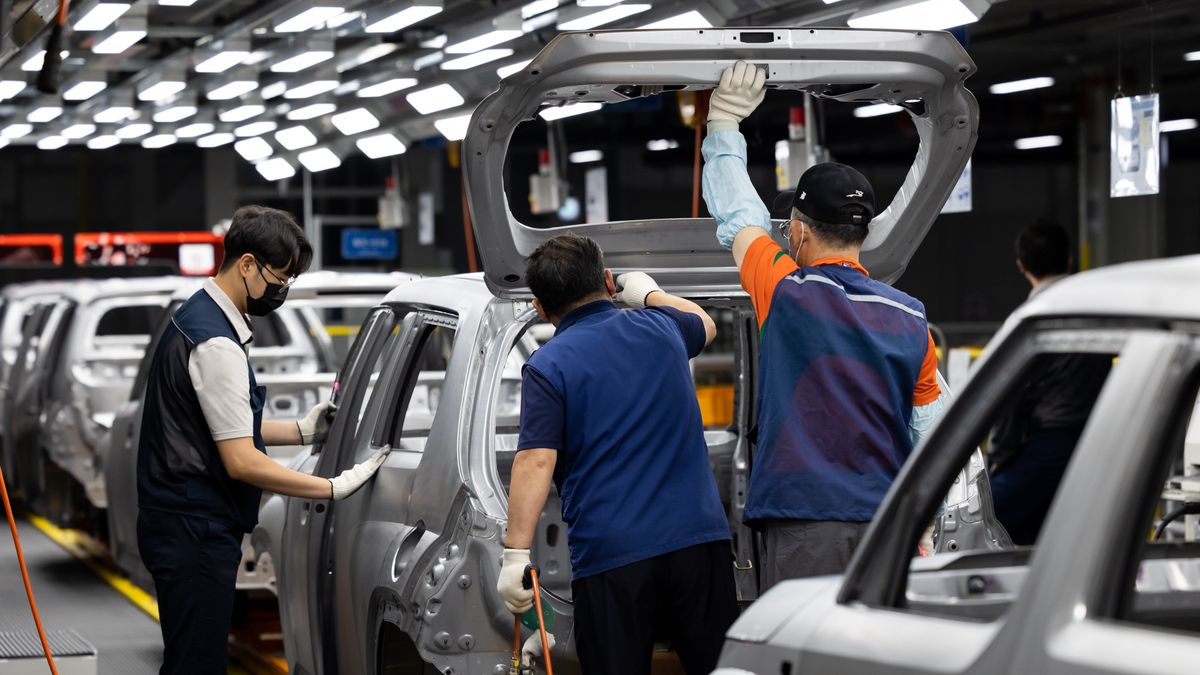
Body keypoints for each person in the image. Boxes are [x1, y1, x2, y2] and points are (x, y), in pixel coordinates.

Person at [701, 62, 946, 587]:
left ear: (797, 231)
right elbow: (929, 429)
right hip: (890, 523)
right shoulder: (911, 315)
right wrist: (924, 516)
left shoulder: (787, 291)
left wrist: (723, 125)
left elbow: (739, 216)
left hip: (806, 525)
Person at [136, 206, 391, 674]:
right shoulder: (216, 343)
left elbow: (218, 426)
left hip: (177, 521)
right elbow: (241, 461)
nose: (283, 290)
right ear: (247, 264)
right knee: (196, 664)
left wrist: (300, 431)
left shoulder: (198, 316)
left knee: (190, 658)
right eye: (281, 277)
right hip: (194, 528)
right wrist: (332, 487)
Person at [496, 233, 738, 675]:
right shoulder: (663, 327)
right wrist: (650, 294)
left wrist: (516, 554)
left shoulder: (549, 366)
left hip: (614, 557)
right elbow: (706, 323)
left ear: (540, 308)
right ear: (608, 281)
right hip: (698, 543)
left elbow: (535, 460)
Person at [987, 220, 1111, 545]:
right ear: (1069, 260)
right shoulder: (1099, 310)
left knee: (984, 520)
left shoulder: (1030, 319)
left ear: (1021, 265)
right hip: (1098, 445)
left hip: (1048, 447)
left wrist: (1000, 459)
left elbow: (1010, 399)